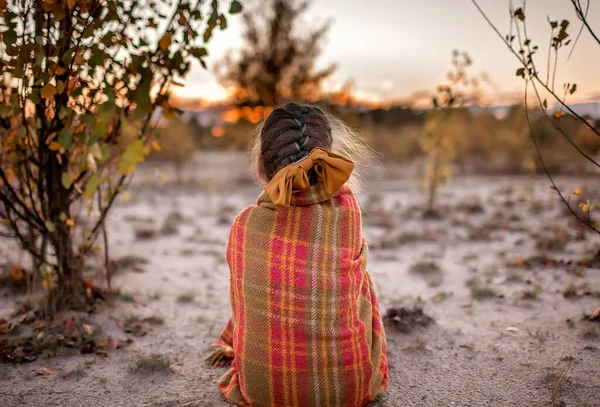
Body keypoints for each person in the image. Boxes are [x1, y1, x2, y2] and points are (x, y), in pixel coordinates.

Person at [205, 103, 388, 407]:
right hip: (350, 390)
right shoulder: (347, 213)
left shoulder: (245, 225)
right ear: (327, 157)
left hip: (262, 393)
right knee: (359, 282)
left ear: (263, 166)